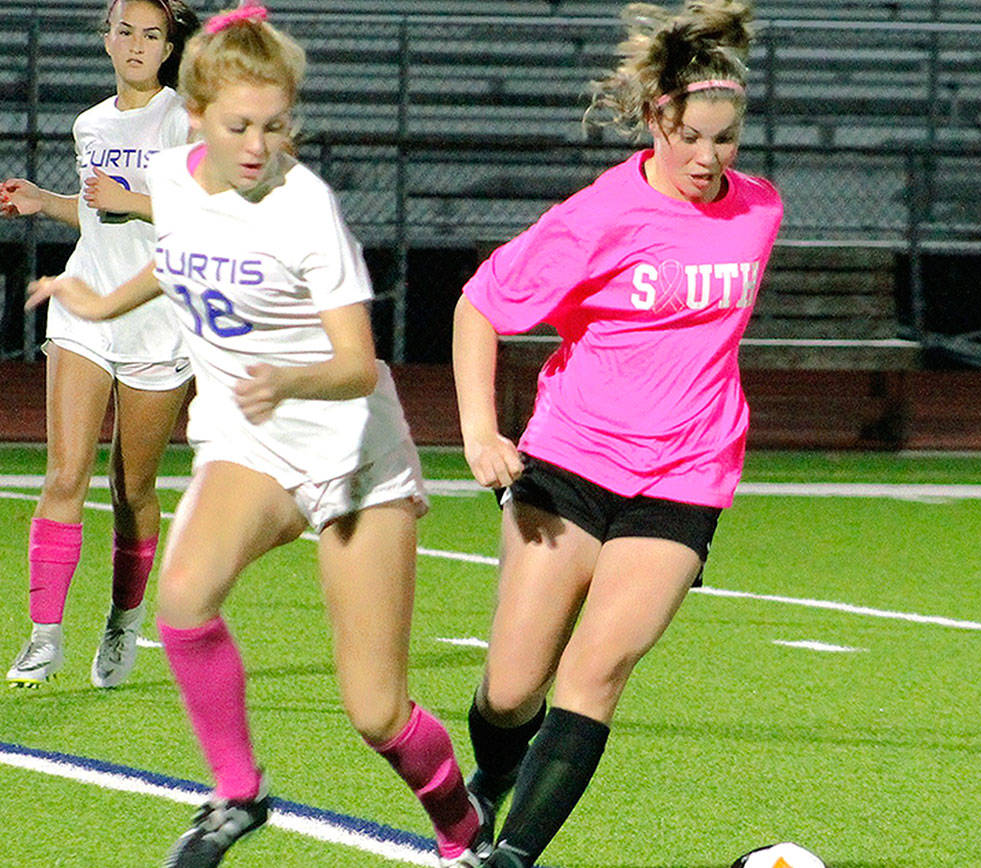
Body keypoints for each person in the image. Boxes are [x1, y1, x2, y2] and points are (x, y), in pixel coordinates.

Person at [26, 3, 486, 866]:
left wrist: (290, 376)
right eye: (239, 125)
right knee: (184, 598)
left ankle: (464, 833)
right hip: (251, 441)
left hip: (350, 454)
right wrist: (96, 297)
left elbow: (356, 363)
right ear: (195, 117)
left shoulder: (304, 209)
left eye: (275, 126)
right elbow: (177, 256)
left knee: (375, 710)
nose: (256, 145)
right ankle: (239, 794)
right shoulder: (175, 177)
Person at [450, 1, 782, 865]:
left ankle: (512, 853)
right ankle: (490, 777)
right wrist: (481, 433)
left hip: (687, 475)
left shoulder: (760, 212)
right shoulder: (598, 215)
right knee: (515, 689)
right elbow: (479, 307)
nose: (710, 159)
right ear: (654, 122)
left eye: (727, 140)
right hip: (570, 462)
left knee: (595, 672)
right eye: (692, 138)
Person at [2, 0, 199, 690]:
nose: (137, 45)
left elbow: (213, 212)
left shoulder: (186, 119)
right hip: (83, 308)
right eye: (125, 31)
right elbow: (98, 211)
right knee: (64, 474)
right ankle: (44, 636)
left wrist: (137, 199)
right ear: (107, 40)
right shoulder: (90, 122)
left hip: (157, 315)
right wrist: (44, 200)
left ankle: (123, 621)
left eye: (152, 35)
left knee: (131, 487)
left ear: (170, 46)